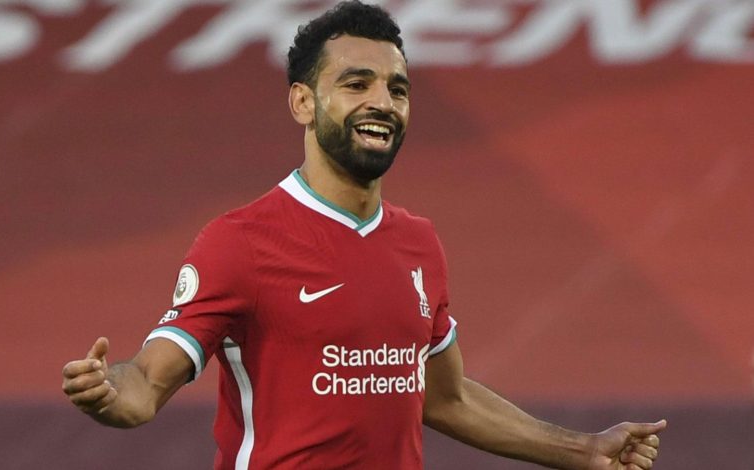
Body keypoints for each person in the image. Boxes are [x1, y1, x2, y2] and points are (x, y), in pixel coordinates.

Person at [61, 1, 666, 469]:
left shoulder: (419, 243)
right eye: (356, 84)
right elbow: (148, 380)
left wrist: (583, 450)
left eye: (397, 89)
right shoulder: (240, 241)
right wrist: (109, 392)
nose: (383, 102)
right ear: (303, 102)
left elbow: (443, 397)